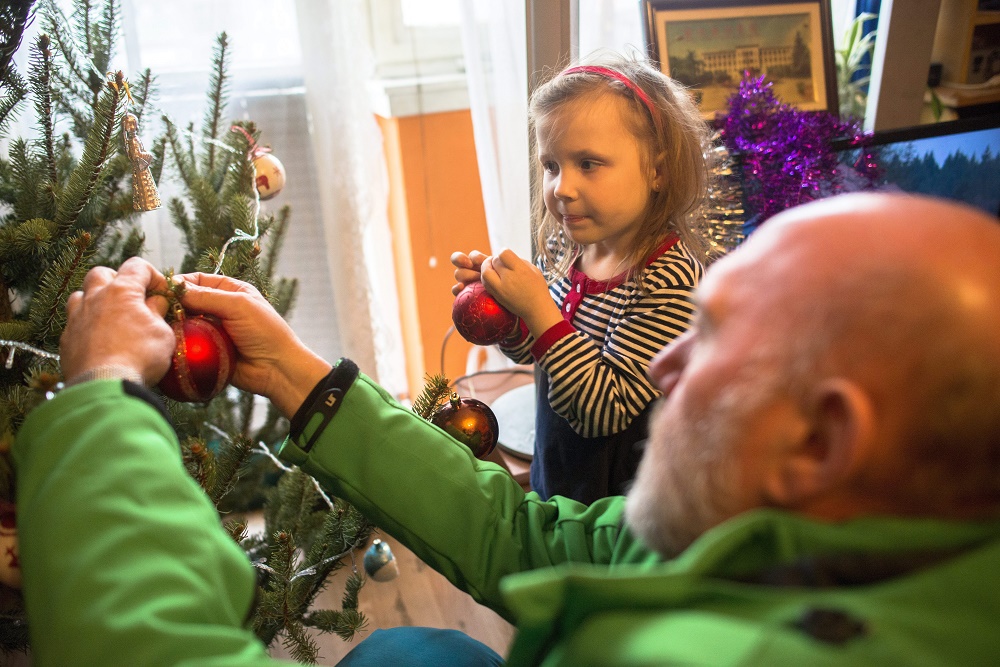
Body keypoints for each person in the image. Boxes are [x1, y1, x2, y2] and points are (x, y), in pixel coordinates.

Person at [15, 192, 1000, 666]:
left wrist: (102, 397)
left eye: (714, 338)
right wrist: (296, 374)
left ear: (819, 442)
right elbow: (539, 538)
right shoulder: (818, 528)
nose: (663, 365)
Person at [451, 53, 711, 503]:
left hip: (619, 511)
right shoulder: (569, 247)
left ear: (658, 171)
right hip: (562, 474)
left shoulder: (670, 281)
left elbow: (600, 411)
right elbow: (542, 354)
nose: (562, 188)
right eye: (551, 165)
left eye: (588, 164)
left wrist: (536, 307)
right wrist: (506, 313)